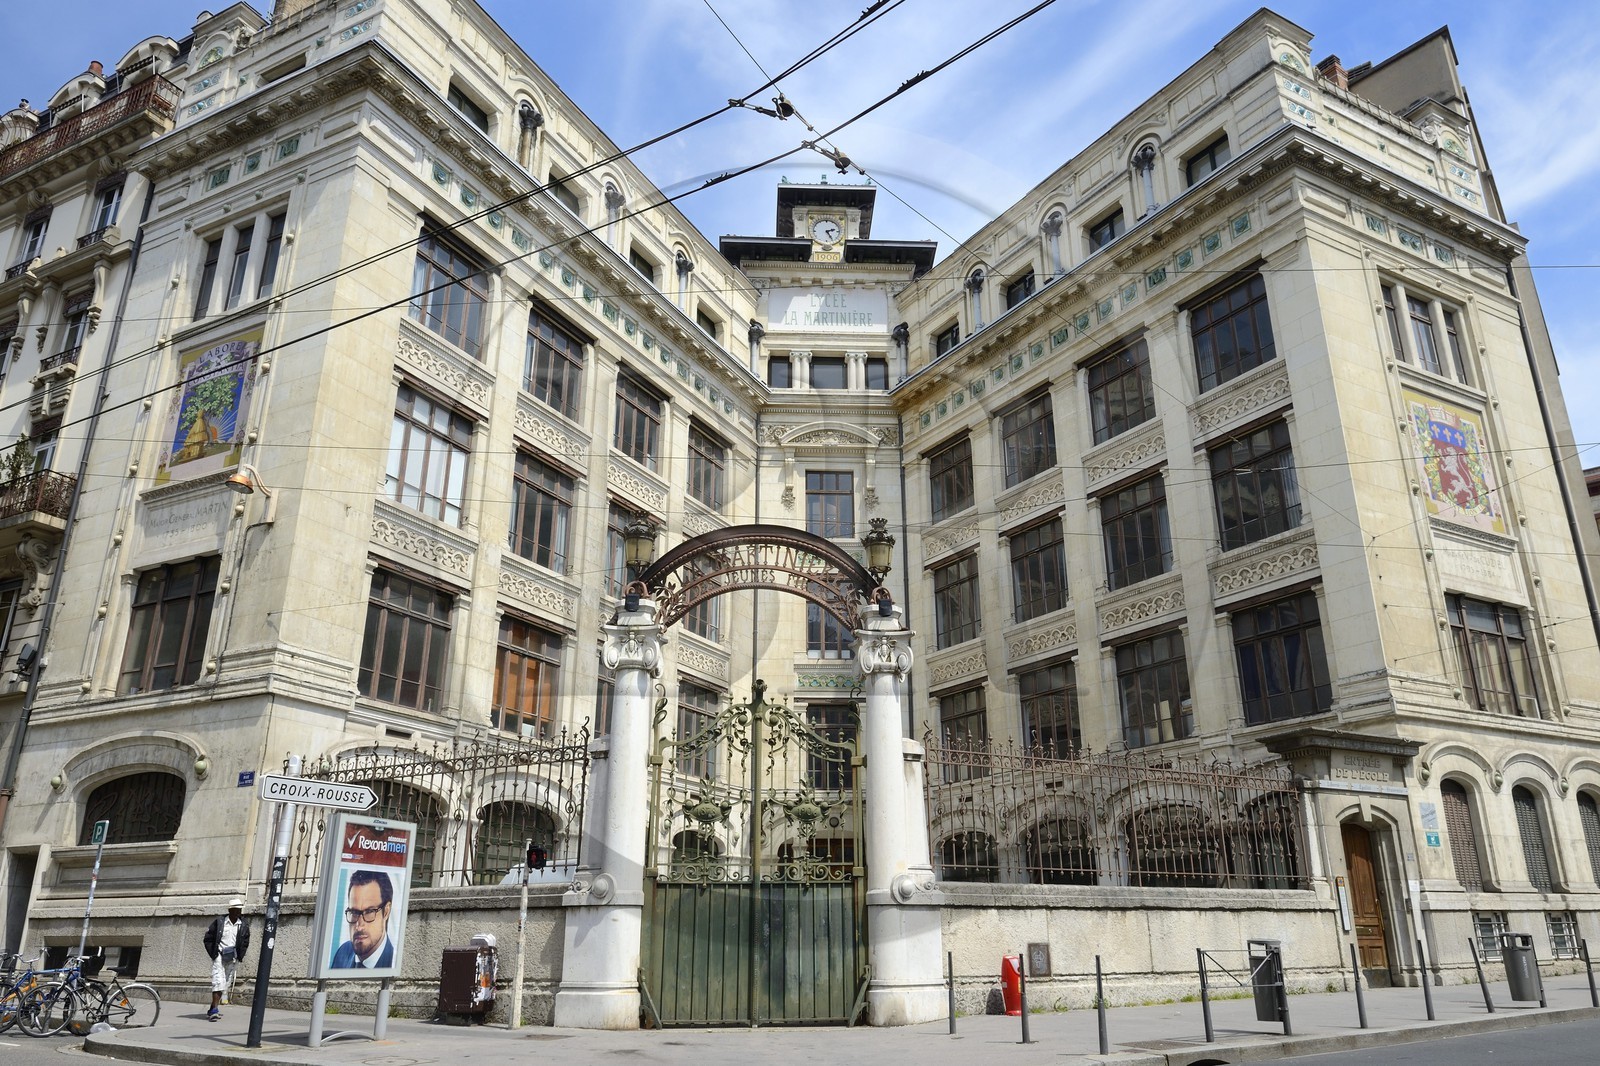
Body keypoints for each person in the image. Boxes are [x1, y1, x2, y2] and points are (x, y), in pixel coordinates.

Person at [330, 870, 395, 969]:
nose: (359, 926)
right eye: (354, 913)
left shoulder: (393, 961)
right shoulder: (343, 953)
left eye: (369, 912)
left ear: (386, 911)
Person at [202, 898, 250, 1021]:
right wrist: (214, 953)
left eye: (239, 910)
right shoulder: (220, 922)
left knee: (226, 983)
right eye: (235, 910)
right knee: (218, 981)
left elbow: (245, 941)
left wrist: (240, 955)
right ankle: (214, 1010)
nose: (237, 913)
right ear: (230, 910)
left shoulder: (243, 924)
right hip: (219, 955)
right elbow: (208, 938)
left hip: (232, 957)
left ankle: (213, 1006)